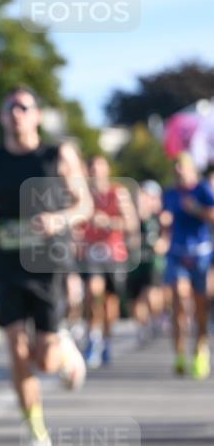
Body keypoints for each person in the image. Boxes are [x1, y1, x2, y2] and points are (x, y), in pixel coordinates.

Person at [0, 87, 90, 446]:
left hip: (47, 261)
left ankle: (63, 347)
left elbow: (84, 204)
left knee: (46, 360)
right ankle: (37, 435)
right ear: (2, 117)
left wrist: (59, 219)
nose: (16, 113)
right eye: (9, 107)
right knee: (16, 348)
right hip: (5, 261)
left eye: (23, 107)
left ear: (36, 115)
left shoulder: (57, 155)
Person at [81, 154, 138, 368]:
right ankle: (92, 337)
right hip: (90, 252)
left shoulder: (118, 192)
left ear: (106, 170)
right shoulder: (83, 195)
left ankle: (106, 339)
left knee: (109, 302)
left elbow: (131, 223)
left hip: (113, 252)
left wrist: (109, 222)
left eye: (99, 169)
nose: (95, 173)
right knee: (92, 291)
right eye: (92, 169)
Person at [162, 153, 214, 379]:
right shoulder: (170, 193)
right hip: (176, 253)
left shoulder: (202, 190)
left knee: (201, 308)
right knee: (180, 300)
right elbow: (165, 219)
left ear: (192, 169)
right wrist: (163, 230)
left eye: (182, 166)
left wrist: (196, 209)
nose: (179, 171)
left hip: (200, 254)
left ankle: (200, 350)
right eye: (176, 167)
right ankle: (179, 353)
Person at [126, 180, 168, 345]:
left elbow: (166, 234)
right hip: (135, 262)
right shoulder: (132, 216)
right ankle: (143, 326)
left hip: (152, 261)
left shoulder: (159, 217)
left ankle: (157, 317)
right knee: (135, 301)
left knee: (150, 294)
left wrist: (163, 243)